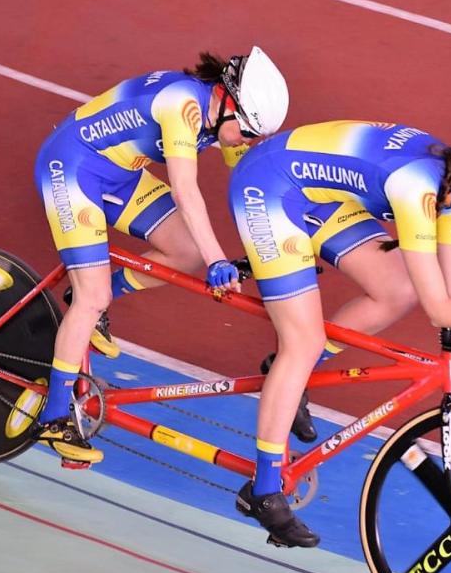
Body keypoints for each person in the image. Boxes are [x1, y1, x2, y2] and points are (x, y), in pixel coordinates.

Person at [228, 120, 451, 547]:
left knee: (397, 291)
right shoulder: (418, 188)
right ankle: (264, 489)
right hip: (268, 186)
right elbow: (442, 311)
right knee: (300, 342)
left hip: (314, 193)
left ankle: (291, 374)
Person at [33, 48, 289, 467]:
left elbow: (250, 180)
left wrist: (279, 244)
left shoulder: (222, 114)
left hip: (118, 172)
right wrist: (217, 260)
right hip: (73, 166)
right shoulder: (183, 106)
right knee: (91, 295)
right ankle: (55, 416)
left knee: (183, 250)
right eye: (246, 132)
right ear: (227, 104)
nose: (247, 140)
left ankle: (98, 305)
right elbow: (187, 191)